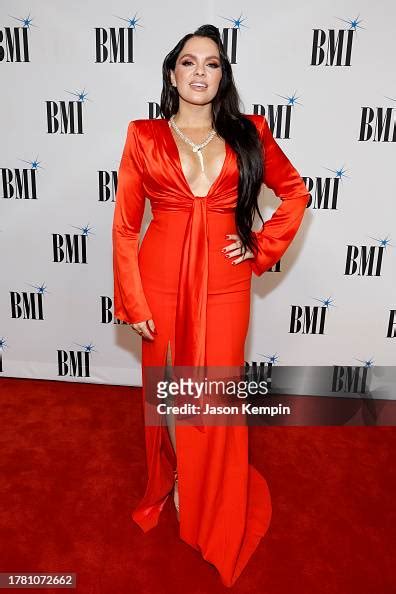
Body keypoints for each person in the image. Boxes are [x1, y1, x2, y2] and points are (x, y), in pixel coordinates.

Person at [112, 24, 309, 587]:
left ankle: (211, 499)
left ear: (223, 76)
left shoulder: (250, 132)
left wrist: (259, 244)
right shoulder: (144, 136)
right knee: (172, 390)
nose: (200, 72)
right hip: (160, 281)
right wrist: (133, 297)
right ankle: (178, 482)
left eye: (213, 64)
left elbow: (294, 192)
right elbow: (126, 226)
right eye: (189, 62)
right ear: (172, 74)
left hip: (224, 284)